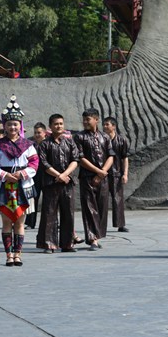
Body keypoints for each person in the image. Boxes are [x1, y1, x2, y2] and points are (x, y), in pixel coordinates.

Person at [0, 96, 38, 267]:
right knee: (7, 221)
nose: (12, 127)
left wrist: (22, 174)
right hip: (4, 185)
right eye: (9, 124)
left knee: (20, 221)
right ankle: (8, 254)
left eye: (15, 124)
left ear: (20, 125)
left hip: (22, 184)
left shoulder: (28, 144)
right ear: (5, 126)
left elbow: (34, 163)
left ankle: (18, 253)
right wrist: (3, 175)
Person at [36, 114, 80, 253]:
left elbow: (75, 160)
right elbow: (43, 163)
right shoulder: (44, 144)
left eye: (61, 123)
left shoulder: (69, 142)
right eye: (56, 124)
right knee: (49, 213)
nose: (59, 126)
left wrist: (65, 174)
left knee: (68, 213)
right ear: (50, 126)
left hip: (67, 183)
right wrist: (58, 175)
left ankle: (67, 244)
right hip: (51, 183)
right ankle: (49, 244)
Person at [73, 108, 115, 251]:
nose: (85, 122)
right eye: (84, 119)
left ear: (96, 120)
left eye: (88, 119)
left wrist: (102, 172)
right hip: (87, 178)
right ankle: (93, 239)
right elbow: (81, 158)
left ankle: (98, 234)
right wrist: (97, 171)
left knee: (102, 207)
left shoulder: (106, 137)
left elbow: (111, 156)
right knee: (90, 208)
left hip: (103, 177)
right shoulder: (79, 137)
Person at [102, 117, 130, 233]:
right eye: (104, 124)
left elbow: (125, 158)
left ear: (114, 126)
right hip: (103, 173)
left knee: (117, 199)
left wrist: (125, 174)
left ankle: (120, 224)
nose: (105, 126)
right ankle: (100, 223)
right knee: (102, 199)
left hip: (117, 173)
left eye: (107, 124)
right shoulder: (101, 139)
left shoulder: (121, 140)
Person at [25, 122, 47, 230]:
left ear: (44, 133)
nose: (37, 135)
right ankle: (30, 223)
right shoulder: (30, 144)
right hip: (35, 175)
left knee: (49, 200)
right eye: (35, 133)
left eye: (39, 132)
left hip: (47, 174)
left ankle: (50, 222)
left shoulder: (48, 143)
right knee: (33, 198)